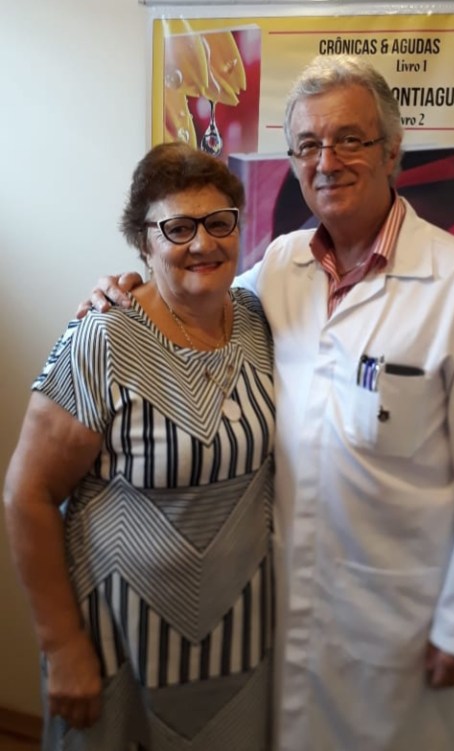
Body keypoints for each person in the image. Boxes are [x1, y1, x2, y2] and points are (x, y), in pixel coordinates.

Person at [77, 55, 454, 751]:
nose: (327, 161)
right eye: (308, 145)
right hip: (281, 611)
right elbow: (194, 300)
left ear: (392, 152)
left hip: (401, 617)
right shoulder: (280, 265)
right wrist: (126, 291)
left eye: (349, 140)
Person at [3, 142, 276, 751]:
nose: (202, 243)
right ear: (143, 243)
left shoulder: (258, 320)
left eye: (219, 222)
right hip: (116, 644)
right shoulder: (103, 338)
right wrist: (61, 646)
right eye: (177, 228)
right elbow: (27, 494)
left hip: (238, 642)